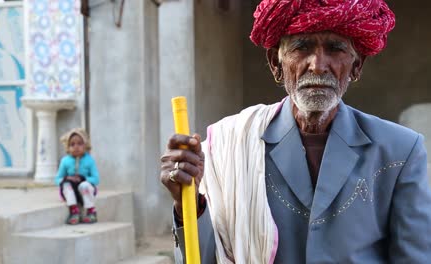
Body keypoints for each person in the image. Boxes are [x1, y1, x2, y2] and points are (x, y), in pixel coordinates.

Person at [160, 0, 431, 263]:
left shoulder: (399, 151)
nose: (317, 65)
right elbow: (206, 259)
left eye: (335, 49)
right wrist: (189, 203)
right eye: (302, 47)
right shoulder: (231, 146)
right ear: (276, 64)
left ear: (356, 66)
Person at [55, 128, 100, 225]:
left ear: (85, 145)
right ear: (67, 147)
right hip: (71, 191)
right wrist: (67, 178)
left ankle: (91, 211)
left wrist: (83, 179)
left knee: (84, 185)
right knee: (66, 184)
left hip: (85, 190)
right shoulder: (65, 161)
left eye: (80, 144)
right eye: (72, 144)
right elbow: (57, 179)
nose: (76, 147)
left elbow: (96, 179)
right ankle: (74, 212)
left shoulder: (89, 160)